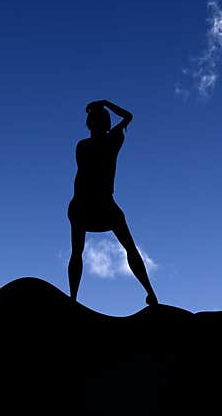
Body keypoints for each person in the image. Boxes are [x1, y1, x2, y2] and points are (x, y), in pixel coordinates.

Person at [67, 99, 158, 306]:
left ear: (90, 123)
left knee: (77, 251)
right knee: (129, 248)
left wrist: (103, 104)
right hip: (98, 205)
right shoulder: (110, 141)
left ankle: (73, 298)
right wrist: (106, 103)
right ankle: (150, 292)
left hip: (84, 205)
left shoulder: (84, 145)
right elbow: (128, 116)